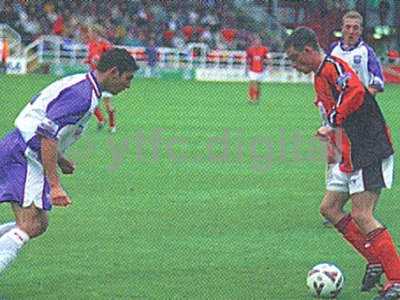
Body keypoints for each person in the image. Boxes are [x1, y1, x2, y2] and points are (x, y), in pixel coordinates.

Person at [285, 27, 400, 299]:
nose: (293, 64)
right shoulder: (318, 77)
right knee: (330, 208)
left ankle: (396, 279)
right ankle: (375, 258)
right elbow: (333, 116)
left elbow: (356, 92)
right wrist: (333, 137)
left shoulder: (334, 67)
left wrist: (334, 121)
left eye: (294, 58)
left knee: (362, 214)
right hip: (349, 152)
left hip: (368, 148)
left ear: (308, 51)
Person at [0, 48, 138, 275]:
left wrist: (60, 159)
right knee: (31, 224)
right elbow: (47, 132)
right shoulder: (83, 96)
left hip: (19, 147)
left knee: (37, 223)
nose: (128, 85)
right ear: (114, 72)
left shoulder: (84, 86)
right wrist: (54, 185)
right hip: (24, 155)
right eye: (127, 78)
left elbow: (47, 127)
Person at [322, 11, 385, 228]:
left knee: (359, 157)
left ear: (360, 30)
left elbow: (378, 81)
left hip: (360, 118)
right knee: (333, 156)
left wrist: (361, 101)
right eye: (347, 27)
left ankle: (364, 210)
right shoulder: (333, 51)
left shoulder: (366, 52)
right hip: (337, 115)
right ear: (342, 27)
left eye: (355, 28)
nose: (351, 31)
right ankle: (332, 206)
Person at [84, 26, 116, 133]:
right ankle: (101, 119)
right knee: (90, 100)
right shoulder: (91, 45)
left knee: (107, 102)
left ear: (96, 33)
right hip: (93, 77)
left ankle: (112, 126)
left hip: (105, 77)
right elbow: (90, 58)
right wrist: (88, 60)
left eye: (90, 33)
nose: (89, 35)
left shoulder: (105, 44)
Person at [246, 36, 269, 104]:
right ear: (254, 42)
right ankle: (252, 98)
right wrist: (247, 67)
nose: (257, 43)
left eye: (259, 42)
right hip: (252, 69)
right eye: (256, 42)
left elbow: (267, 58)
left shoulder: (264, 49)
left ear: (260, 42)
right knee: (252, 84)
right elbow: (248, 59)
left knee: (258, 85)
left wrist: (268, 65)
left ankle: (257, 98)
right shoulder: (250, 50)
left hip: (260, 70)